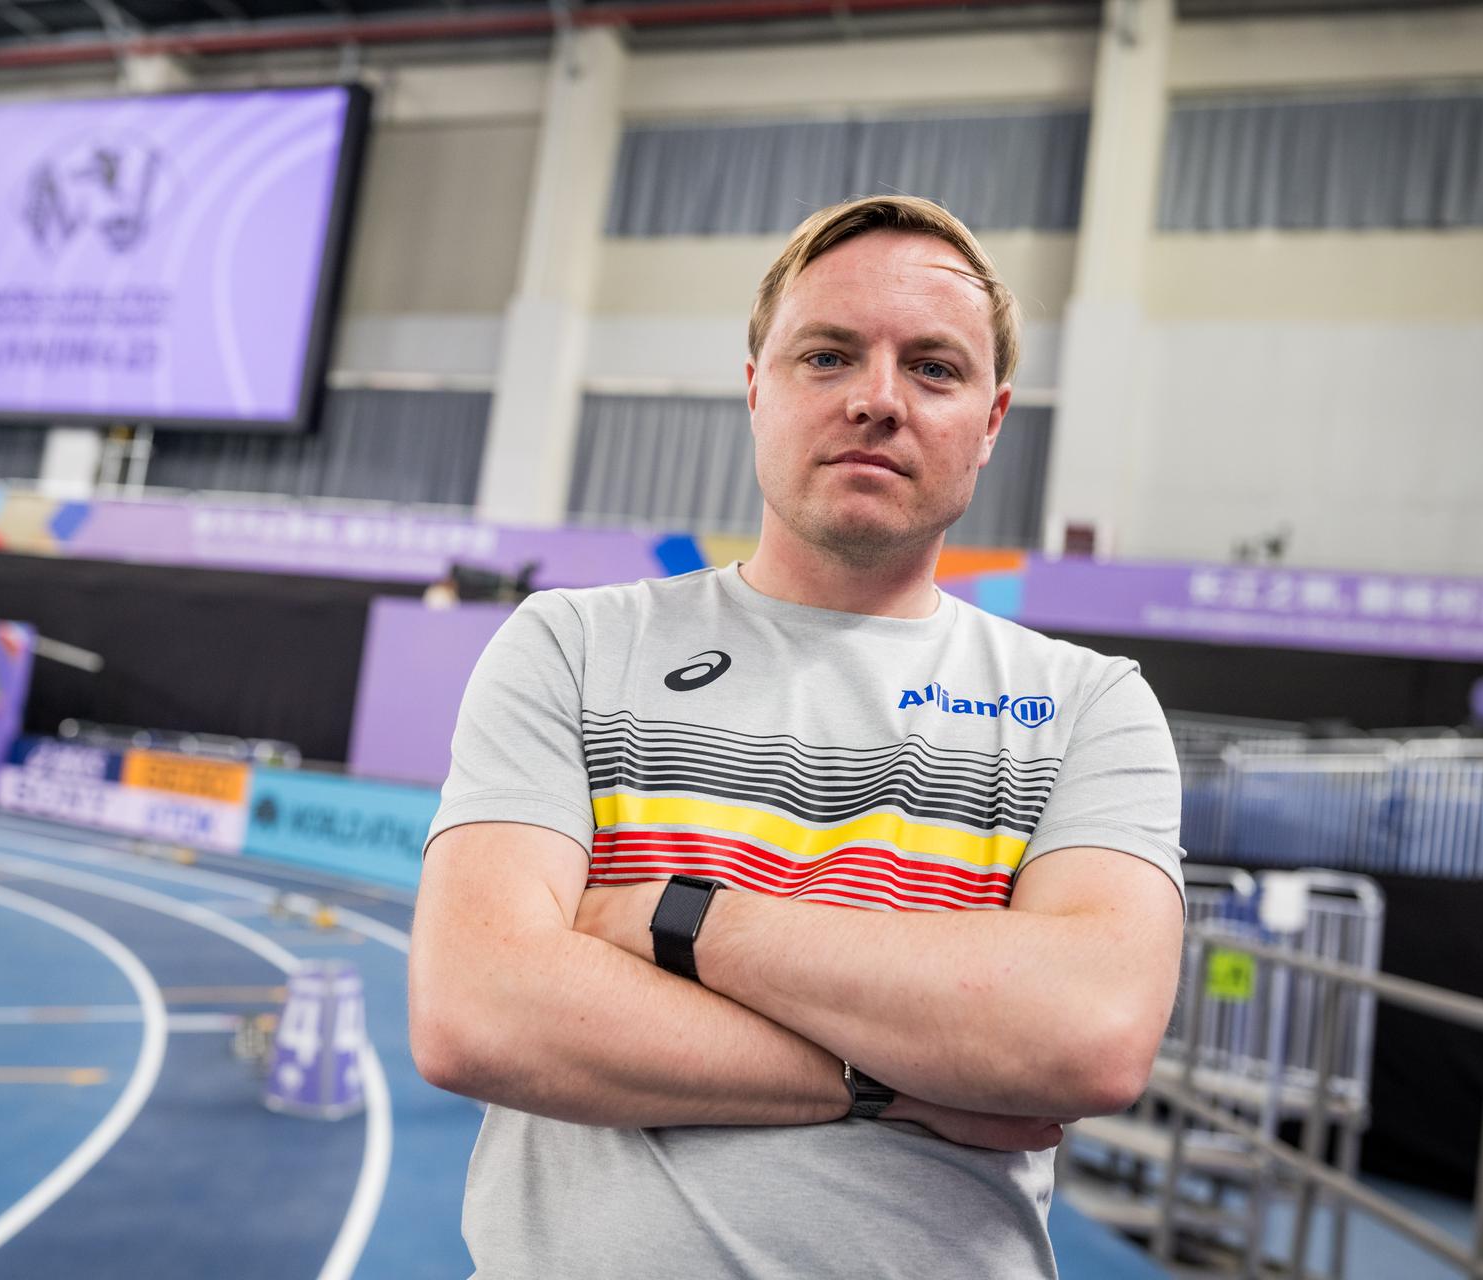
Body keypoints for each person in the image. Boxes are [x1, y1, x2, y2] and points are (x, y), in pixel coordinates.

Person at [409, 196, 1186, 1278]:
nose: (877, 398)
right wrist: (892, 1079)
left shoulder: (1089, 704)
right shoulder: (574, 645)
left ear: (992, 421)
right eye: (827, 355)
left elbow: (1084, 1031)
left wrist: (675, 917)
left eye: (934, 367)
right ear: (756, 387)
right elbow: (479, 1009)